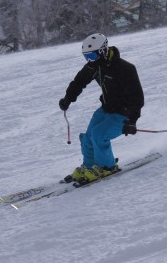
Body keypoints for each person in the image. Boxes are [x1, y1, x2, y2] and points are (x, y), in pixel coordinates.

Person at [58, 33, 144, 185]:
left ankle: (107, 166)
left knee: (98, 135)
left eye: (91, 55)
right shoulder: (94, 66)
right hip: (106, 109)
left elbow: (137, 98)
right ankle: (89, 166)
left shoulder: (125, 69)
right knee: (88, 136)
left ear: (103, 51)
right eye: (86, 57)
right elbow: (78, 82)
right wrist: (68, 99)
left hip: (123, 113)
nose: (89, 60)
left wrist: (132, 120)